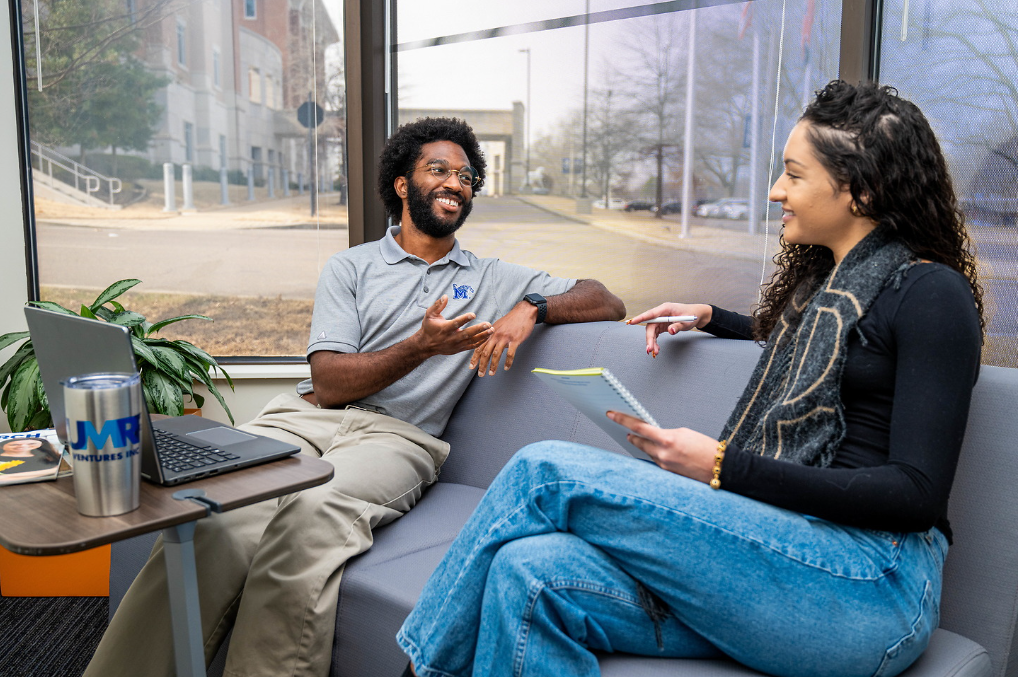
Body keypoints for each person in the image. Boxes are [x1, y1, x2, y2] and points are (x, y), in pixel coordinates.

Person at [396, 81, 984, 677]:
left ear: (861, 190)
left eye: (794, 175)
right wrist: (711, 316)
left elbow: (916, 494)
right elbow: (817, 347)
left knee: (542, 470)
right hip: (783, 557)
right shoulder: (829, 296)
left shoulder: (933, 294)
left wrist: (721, 466)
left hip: (868, 585)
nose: (775, 191)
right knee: (527, 572)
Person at [84, 117, 625, 677]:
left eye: (466, 177)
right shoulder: (352, 266)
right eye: (438, 170)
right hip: (303, 419)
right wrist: (420, 347)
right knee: (213, 517)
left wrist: (533, 305)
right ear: (402, 184)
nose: (455, 183)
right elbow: (329, 383)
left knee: (308, 521)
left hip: (397, 439)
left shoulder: (492, 277)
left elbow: (606, 299)